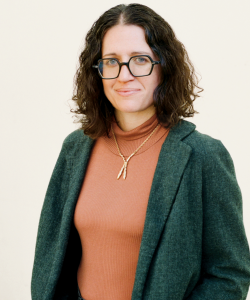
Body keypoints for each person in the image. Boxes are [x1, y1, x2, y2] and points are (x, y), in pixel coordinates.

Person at [31, 3, 250, 300]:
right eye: (111, 61)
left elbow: (230, 273)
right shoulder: (76, 147)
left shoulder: (204, 156)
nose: (124, 75)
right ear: (97, 71)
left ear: (164, 66)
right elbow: (52, 257)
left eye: (140, 59)